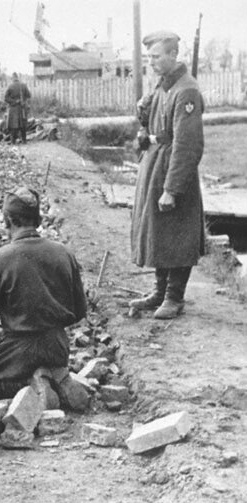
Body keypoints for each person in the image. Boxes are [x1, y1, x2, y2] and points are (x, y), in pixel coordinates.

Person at [0, 187, 87, 400]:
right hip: (58, 346)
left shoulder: (0, 259)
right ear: (36, 219)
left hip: (21, 348)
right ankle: (54, 375)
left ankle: (34, 384)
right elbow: (79, 311)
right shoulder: (64, 252)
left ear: (8, 220)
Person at [129, 31, 205, 320]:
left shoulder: (186, 90)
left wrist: (172, 188)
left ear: (174, 55)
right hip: (156, 163)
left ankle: (175, 297)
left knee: (177, 233)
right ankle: (160, 292)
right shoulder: (163, 87)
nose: (152, 62)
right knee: (160, 232)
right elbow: (154, 127)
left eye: (157, 56)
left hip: (172, 168)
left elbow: (187, 145)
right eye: (149, 57)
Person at [4, 73, 31, 144]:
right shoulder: (24, 85)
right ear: (17, 78)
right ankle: (24, 141)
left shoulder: (10, 86)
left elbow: (6, 98)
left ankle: (13, 142)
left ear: (12, 78)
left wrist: (15, 101)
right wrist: (23, 100)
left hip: (14, 108)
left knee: (13, 125)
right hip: (22, 108)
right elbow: (29, 95)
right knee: (23, 124)